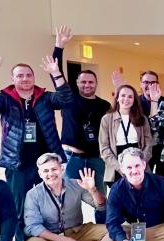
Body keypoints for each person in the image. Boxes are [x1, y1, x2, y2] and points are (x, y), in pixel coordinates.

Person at [0, 51, 73, 241]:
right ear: (13, 79)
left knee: (50, 205)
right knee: (18, 207)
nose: (25, 79)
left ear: (34, 78)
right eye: (20, 76)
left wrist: (56, 73)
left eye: (28, 75)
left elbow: (67, 100)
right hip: (17, 164)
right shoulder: (5, 99)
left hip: (47, 162)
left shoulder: (45, 98)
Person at [51, 26, 110, 230]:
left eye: (90, 82)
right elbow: (55, 72)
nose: (87, 85)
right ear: (77, 83)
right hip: (72, 158)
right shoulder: (68, 99)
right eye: (83, 82)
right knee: (66, 196)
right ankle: (66, 232)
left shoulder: (104, 106)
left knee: (99, 197)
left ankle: (105, 233)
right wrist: (59, 46)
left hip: (96, 158)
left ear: (96, 83)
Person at [22, 153, 107, 241]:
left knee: (109, 232)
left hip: (76, 232)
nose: (50, 174)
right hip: (51, 237)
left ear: (62, 169)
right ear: (40, 174)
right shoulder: (33, 195)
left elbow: (101, 206)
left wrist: (93, 189)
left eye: (54, 169)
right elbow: (33, 227)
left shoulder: (77, 184)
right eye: (46, 171)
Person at [99, 85, 153, 186]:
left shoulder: (142, 119)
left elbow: (149, 143)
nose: (126, 99)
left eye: (130, 96)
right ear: (117, 98)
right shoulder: (106, 119)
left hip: (139, 164)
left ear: (134, 100)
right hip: (116, 168)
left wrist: (140, 164)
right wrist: (120, 168)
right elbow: (104, 148)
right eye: (123, 95)